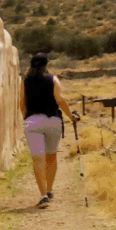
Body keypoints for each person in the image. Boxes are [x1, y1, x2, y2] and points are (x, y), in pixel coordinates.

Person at [20, 52, 79, 208]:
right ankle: (50, 189)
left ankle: (43, 195)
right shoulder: (52, 79)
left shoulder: (25, 81)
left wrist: (27, 118)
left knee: (37, 159)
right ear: (46, 65)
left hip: (33, 122)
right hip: (53, 121)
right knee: (51, 157)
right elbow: (59, 99)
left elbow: (21, 103)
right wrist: (71, 116)